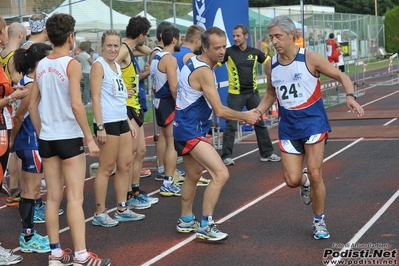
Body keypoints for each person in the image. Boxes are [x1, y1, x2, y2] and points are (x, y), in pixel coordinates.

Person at [256, 15, 364, 240]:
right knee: (292, 180)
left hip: (314, 122)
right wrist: (257, 112)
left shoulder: (310, 58)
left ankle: (319, 221)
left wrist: (350, 96)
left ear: (292, 35)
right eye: (271, 37)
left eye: (278, 36)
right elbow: (270, 94)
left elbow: (341, 75)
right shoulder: (271, 65)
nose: (274, 41)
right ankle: (303, 182)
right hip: (288, 127)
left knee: (316, 174)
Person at [28, 13, 110, 265]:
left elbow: (32, 107)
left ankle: (55, 255)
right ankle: (81, 256)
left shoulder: (41, 64)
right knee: (74, 197)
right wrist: (90, 138)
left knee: (53, 197)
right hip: (69, 138)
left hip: (48, 139)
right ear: (71, 36)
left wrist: (43, 132)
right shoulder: (71, 64)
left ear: (50, 36)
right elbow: (76, 104)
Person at [173, 26, 260, 241]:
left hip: (184, 126)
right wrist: (245, 116)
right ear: (204, 47)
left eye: (224, 47)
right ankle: (206, 224)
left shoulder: (192, 60)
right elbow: (220, 110)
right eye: (217, 48)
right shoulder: (203, 71)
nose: (222, 52)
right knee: (221, 174)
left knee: (193, 175)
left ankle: (185, 220)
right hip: (190, 130)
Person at [91, 29, 145, 227]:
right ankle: (99, 212)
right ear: (102, 46)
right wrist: (100, 126)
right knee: (106, 169)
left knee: (125, 165)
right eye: (109, 45)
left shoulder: (115, 66)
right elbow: (95, 97)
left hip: (121, 120)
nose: (112, 49)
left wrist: (128, 121)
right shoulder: (99, 65)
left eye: (116, 45)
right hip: (108, 122)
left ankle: (122, 208)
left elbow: (119, 96)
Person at [12, 43, 53, 253]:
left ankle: (29, 235)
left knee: (33, 191)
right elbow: (18, 117)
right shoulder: (29, 87)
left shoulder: (33, 82)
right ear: (39, 62)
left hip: (33, 142)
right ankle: (28, 237)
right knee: (31, 191)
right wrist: (11, 141)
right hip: (30, 143)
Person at [220, 24, 280, 166]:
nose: (235, 38)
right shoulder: (228, 52)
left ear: (246, 36)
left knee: (260, 123)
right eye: (233, 35)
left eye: (238, 35)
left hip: (253, 94)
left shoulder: (254, 52)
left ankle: (267, 153)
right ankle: (226, 156)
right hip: (235, 95)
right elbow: (213, 65)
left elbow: (271, 62)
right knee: (231, 125)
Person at [115, 16, 158, 210]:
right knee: (130, 154)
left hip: (136, 106)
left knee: (140, 151)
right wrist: (120, 87)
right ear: (140, 34)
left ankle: (135, 190)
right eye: (146, 36)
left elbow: (152, 52)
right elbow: (105, 69)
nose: (147, 40)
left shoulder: (130, 48)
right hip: (126, 107)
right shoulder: (123, 49)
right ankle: (127, 195)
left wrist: (152, 49)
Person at [149, 21, 186, 183]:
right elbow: (173, 87)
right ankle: (169, 181)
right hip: (168, 103)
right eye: (179, 39)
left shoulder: (155, 57)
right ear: (174, 40)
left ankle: (168, 173)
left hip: (159, 102)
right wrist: (181, 104)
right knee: (172, 143)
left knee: (167, 139)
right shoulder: (169, 60)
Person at [0, 22, 26, 207]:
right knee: (15, 150)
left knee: (12, 151)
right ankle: (16, 189)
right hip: (9, 109)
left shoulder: (3, 55)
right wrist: (12, 96)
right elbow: (16, 78)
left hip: (6, 109)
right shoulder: (13, 56)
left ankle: (13, 188)